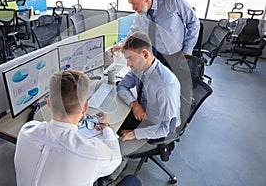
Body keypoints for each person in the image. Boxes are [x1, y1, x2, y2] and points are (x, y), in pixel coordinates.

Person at [14, 69, 122, 186]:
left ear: (49, 103)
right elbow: (116, 158)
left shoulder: (27, 130)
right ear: (85, 108)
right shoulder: (92, 152)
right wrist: (107, 127)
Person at [100, 32, 181, 184]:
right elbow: (122, 85)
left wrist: (134, 134)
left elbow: (166, 128)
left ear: (144, 54)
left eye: (130, 59)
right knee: (109, 128)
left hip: (157, 128)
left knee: (116, 145)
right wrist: (134, 103)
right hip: (142, 114)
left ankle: (110, 177)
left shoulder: (165, 85)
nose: (128, 64)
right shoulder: (141, 68)